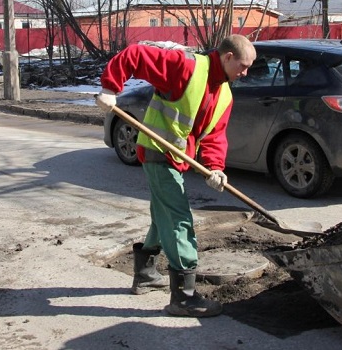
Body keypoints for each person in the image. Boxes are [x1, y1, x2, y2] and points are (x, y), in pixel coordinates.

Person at [95, 35, 256, 317]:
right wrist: (110, 87)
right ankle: (184, 296)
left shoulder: (225, 94)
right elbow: (135, 54)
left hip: (177, 158)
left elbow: (215, 136)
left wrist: (215, 167)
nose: (246, 73)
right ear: (227, 57)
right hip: (158, 151)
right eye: (243, 66)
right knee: (179, 218)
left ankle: (145, 273)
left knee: (163, 214)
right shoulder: (186, 66)